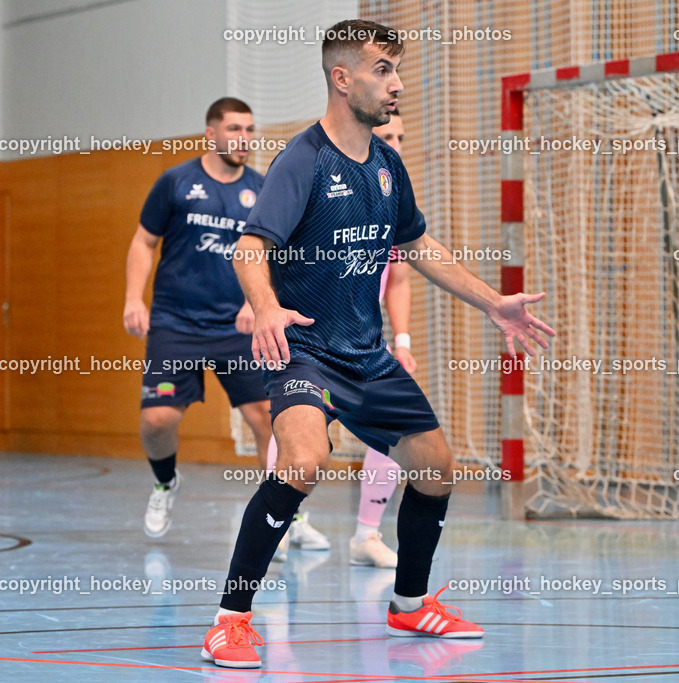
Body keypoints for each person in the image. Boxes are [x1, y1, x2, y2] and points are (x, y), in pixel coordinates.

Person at [200, 20, 554, 669]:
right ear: (343, 78)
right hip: (309, 348)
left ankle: (411, 602)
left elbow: (418, 246)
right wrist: (267, 305)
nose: (397, 83)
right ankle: (230, 619)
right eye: (384, 69)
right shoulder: (303, 160)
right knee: (303, 461)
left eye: (396, 69)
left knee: (437, 465)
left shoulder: (388, 165)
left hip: (367, 355)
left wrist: (493, 301)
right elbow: (250, 247)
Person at [124, 98, 273, 538]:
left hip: (238, 327)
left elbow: (272, 255)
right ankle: (165, 481)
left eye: (249, 129)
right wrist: (134, 298)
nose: (242, 138)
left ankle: (281, 515)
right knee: (157, 421)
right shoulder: (175, 182)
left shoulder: (263, 190)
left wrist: (257, 302)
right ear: (211, 134)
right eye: (233, 129)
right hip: (177, 324)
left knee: (268, 417)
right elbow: (143, 242)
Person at [275, 109, 414, 568]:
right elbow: (266, 248)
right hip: (309, 337)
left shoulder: (392, 193)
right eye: (387, 133)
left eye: (401, 136)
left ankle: (368, 536)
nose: (394, 143)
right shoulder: (316, 171)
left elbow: (397, 280)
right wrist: (258, 305)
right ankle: (284, 523)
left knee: (393, 430)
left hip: (365, 341)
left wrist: (404, 340)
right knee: (300, 433)